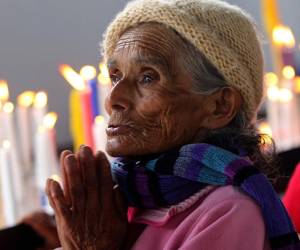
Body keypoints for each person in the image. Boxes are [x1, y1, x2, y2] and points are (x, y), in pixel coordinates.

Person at [27, 0, 300, 249]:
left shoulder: (228, 212)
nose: (114, 99)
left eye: (148, 77)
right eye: (115, 76)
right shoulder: (127, 197)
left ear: (220, 106)